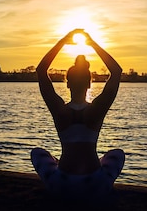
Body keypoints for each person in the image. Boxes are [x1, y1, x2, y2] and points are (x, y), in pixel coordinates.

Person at [30, 28, 125, 201]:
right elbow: (116, 71)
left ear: (67, 84)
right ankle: (102, 190)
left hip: (61, 184)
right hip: (94, 184)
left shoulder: (60, 110)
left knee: (37, 153)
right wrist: (91, 42)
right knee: (117, 154)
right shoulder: (96, 110)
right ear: (89, 84)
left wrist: (64, 41)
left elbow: (41, 70)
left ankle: (60, 173)